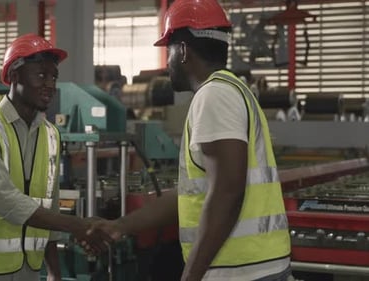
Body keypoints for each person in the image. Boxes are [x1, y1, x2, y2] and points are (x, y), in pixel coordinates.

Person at [89, 0, 292, 280]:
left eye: (168, 50)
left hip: (240, 271)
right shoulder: (234, 90)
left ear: (183, 50)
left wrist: (191, 275)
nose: (168, 62)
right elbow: (196, 193)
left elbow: (227, 193)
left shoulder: (215, 95)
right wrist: (120, 226)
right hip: (252, 265)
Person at [0, 33, 111, 281]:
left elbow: (50, 203)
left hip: (28, 271)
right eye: (41, 75)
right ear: (14, 76)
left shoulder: (51, 134)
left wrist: (54, 271)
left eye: (54, 77)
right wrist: (78, 226)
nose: (50, 84)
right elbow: (5, 201)